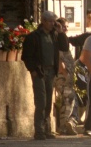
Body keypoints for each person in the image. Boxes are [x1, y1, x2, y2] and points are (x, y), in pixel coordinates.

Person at [21, 11, 70, 140]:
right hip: (39, 72)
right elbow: (26, 56)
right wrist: (33, 70)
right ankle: (39, 130)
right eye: (50, 21)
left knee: (48, 101)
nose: (53, 24)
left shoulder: (54, 35)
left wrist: (61, 32)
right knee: (41, 101)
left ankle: (47, 129)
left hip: (51, 72)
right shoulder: (33, 36)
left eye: (54, 21)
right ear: (43, 21)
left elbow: (65, 47)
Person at [53, 18, 79, 135]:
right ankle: (64, 125)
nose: (65, 29)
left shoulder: (63, 38)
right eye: (63, 26)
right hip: (62, 75)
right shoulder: (56, 38)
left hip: (67, 75)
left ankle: (67, 124)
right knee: (68, 97)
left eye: (66, 27)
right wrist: (63, 71)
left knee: (67, 100)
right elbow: (59, 56)